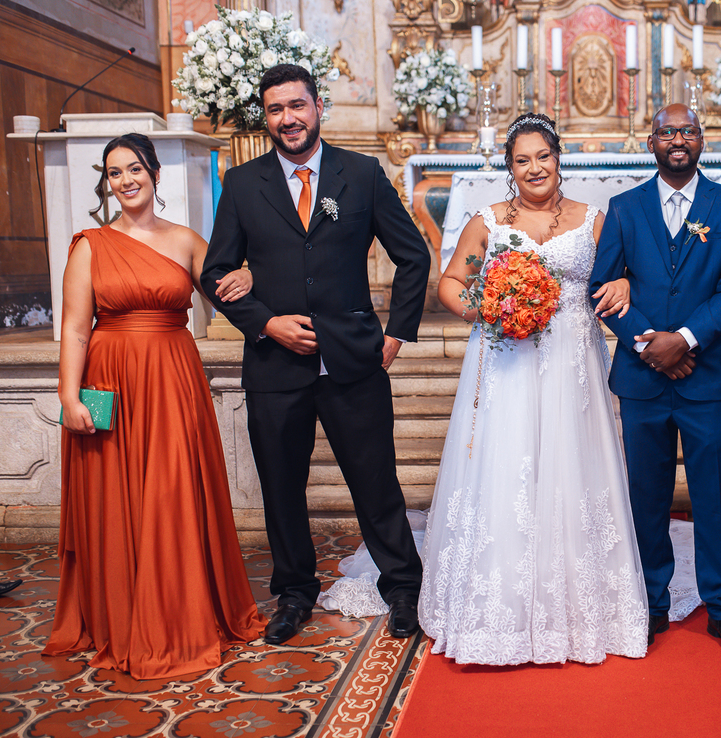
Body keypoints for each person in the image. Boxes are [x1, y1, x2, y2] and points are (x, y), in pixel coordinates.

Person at [200, 64, 431, 645]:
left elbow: (413, 255)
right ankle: (294, 593)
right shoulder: (242, 183)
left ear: (318, 106)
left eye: (297, 106)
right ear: (266, 117)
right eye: (276, 109)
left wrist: (397, 333)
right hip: (275, 367)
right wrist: (266, 323)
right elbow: (215, 272)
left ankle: (403, 587)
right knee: (281, 488)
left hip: (354, 360)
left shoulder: (362, 173)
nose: (288, 119)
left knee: (376, 483)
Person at [414, 113, 648, 665]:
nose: (534, 168)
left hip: (572, 363)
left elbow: (626, 276)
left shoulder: (593, 220)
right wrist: (488, 310)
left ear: (558, 157)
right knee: (509, 467)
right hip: (508, 363)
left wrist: (622, 281)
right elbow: (452, 282)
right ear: (510, 167)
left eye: (543, 156)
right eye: (522, 160)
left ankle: (581, 607)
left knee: (573, 465)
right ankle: (501, 612)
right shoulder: (489, 222)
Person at [45, 133, 266, 680]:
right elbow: (75, 328)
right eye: (114, 173)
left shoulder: (187, 241)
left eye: (135, 168)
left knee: (172, 491)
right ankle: (123, 613)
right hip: (110, 378)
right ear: (107, 183)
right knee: (117, 497)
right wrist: (68, 395)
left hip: (172, 378)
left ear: (155, 173)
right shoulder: (90, 246)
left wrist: (251, 273)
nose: (126, 180)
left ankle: (177, 611)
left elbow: (226, 290)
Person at [590, 104, 721, 659]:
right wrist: (649, 346)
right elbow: (601, 286)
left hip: (707, 377)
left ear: (701, 140)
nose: (677, 139)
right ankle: (650, 602)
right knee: (647, 497)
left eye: (687, 131)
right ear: (651, 142)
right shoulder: (624, 208)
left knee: (713, 498)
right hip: (643, 380)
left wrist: (683, 339)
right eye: (667, 132)